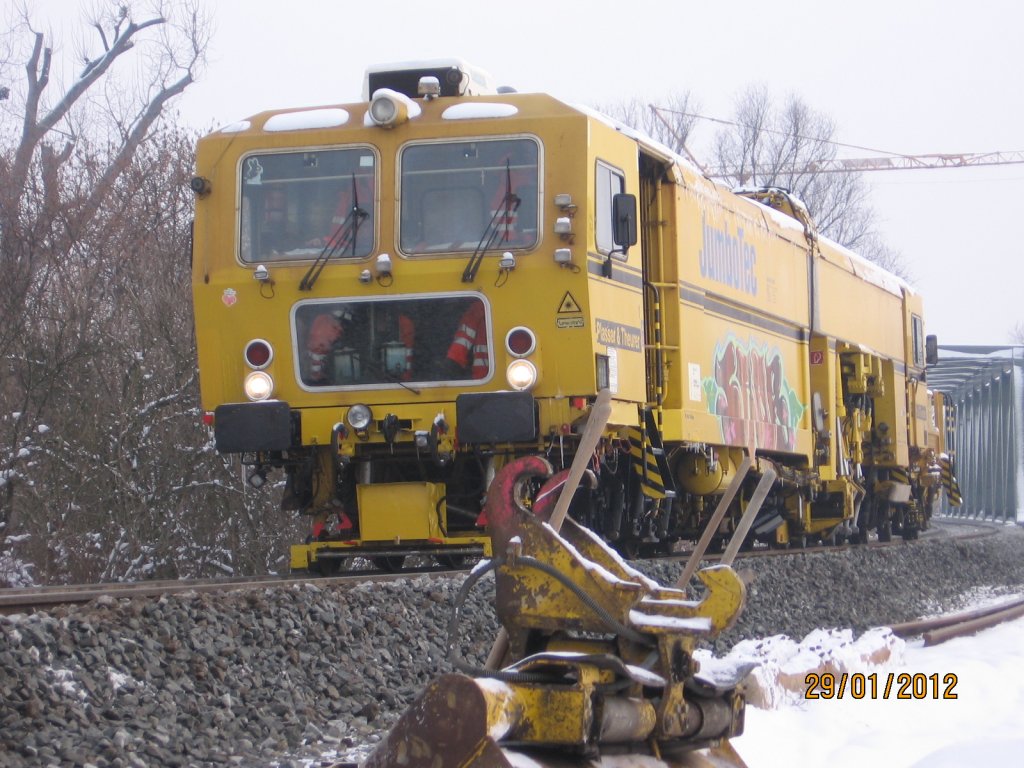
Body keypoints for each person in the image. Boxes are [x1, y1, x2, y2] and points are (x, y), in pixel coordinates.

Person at [444, 301, 488, 379]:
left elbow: (460, 346)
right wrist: (453, 361)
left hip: (484, 378)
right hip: (484, 378)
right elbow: (460, 346)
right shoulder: (481, 307)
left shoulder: (481, 306)